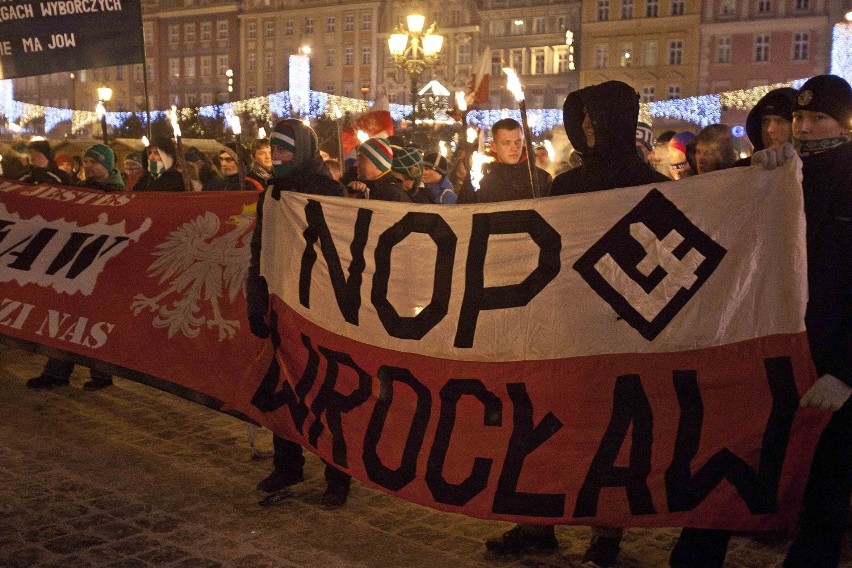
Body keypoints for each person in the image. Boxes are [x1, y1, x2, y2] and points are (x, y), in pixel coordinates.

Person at [670, 74, 852, 568]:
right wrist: (749, 178)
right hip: (764, 354)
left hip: (828, 364)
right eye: (799, 119)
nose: (805, 129)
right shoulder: (775, 175)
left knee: (824, 493)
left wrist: (846, 371)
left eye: (819, 119)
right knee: (729, 467)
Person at [486, 80, 670, 566]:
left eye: (595, 119)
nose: (586, 128)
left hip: (623, 328)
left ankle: (606, 533)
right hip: (566, 325)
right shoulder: (566, 185)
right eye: (581, 119)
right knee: (546, 429)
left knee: (614, 436)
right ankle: (536, 525)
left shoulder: (656, 187)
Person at [247, 119, 353, 509]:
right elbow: (260, 249)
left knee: (326, 393)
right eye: (273, 150)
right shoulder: (272, 192)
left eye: (285, 150)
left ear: (304, 150)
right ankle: (287, 463)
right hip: (282, 301)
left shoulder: (329, 190)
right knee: (285, 386)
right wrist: (256, 301)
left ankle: (337, 474)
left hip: (321, 307)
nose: (277, 157)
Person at [474, 118, 552, 202]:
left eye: (518, 142)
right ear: (494, 146)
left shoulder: (541, 178)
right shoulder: (481, 181)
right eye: (506, 143)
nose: (514, 148)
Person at [734, 87, 797, 166]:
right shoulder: (741, 169)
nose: (769, 129)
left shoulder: (809, 170)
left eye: (779, 121)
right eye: (765, 121)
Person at [346, 137, 411, 202]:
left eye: (361, 159)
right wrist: (350, 197)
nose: (356, 164)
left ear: (379, 164)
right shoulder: (360, 190)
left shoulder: (392, 196)